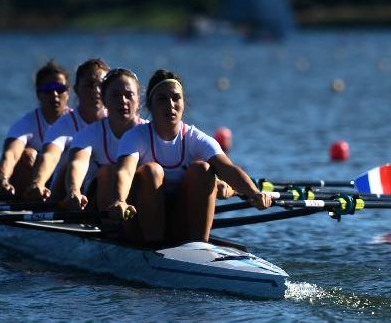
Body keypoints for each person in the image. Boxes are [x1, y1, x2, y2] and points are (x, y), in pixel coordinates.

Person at [110, 69, 271, 245]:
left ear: (184, 103)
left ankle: (198, 245)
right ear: (150, 105)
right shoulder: (135, 137)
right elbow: (125, 171)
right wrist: (119, 200)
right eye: (162, 99)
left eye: (176, 98)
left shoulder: (195, 138)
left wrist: (254, 193)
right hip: (140, 222)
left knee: (203, 169)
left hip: (180, 222)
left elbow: (227, 168)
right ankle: (153, 247)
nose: (170, 105)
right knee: (151, 171)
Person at [57, 67, 145, 211]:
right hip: (96, 201)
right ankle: (110, 226)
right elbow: (78, 162)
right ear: (104, 100)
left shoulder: (148, 131)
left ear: (138, 99)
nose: (123, 100)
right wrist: (74, 191)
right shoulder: (89, 134)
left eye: (129, 95)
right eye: (115, 95)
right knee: (108, 172)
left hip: (135, 203)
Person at [23, 58, 109, 202]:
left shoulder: (117, 122)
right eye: (89, 84)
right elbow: (50, 155)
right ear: (76, 89)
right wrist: (38, 182)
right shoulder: (63, 125)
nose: (96, 90)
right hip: (64, 194)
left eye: (101, 85)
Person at [0, 60, 71, 199]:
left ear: (68, 93)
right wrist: (2, 179)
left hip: (65, 184)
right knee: (27, 155)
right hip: (33, 188)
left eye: (59, 89)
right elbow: (11, 154)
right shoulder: (26, 124)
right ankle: (24, 202)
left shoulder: (77, 121)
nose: (54, 94)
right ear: (38, 94)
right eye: (48, 89)